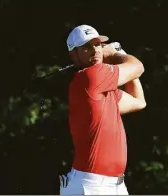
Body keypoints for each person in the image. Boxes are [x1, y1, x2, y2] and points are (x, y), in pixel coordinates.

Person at [59, 24, 146, 195]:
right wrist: (116, 54)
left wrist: (119, 56)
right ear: (73, 55)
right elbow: (138, 67)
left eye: (98, 44)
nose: (95, 51)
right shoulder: (90, 77)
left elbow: (139, 101)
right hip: (90, 186)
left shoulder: (103, 88)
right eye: (86, 47)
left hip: (116, 186)